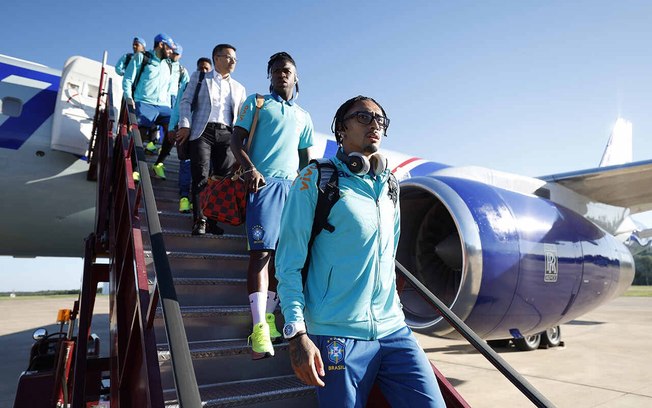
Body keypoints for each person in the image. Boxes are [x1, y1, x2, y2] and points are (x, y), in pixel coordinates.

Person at [275, 96, 446, 407]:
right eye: (364, 117)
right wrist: (297, 334)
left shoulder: (390, 186)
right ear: (342, 128)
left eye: (380, 120)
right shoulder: (315, 179)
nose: (375, 125)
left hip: (394, 329)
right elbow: (288, 263)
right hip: (336, 332)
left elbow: (389, 256)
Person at [230, 52, 314, 360]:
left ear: (295, 77)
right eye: (276, 70)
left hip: (292, 191)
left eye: (287, 70)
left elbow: (306, 162)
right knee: (261, 255)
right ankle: (258, 329)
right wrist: (251, 168)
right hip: (264, 186)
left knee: (283, 260)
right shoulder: (257, 103)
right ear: (271, 76)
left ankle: (269, 320)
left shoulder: (304, 116)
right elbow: (235, 142)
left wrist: (305, 190)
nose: (281, 74)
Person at [177, 44, 246, 235]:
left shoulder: (239, 88)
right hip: (202, 132)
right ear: (217, 58)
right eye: (229, 57)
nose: (233, 61)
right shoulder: (199, 78)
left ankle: (213, 221)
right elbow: (185, 102)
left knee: (222, 180)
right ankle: (200, 220)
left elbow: (241, 117)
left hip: (227, 135)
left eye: (235, 59)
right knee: (201, 176)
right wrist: (184, 124)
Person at [168, 57, 212, 213]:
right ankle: (184, 198)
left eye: (207, 68)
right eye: (201, 68)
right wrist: (172, 127)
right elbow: (178, 107)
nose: (203, 71)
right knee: (185, 165)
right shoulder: (188, 85)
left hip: (204, 135)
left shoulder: (213, 87)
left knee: (202, 170)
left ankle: (197, 201)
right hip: (186, 131)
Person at [122, 33, 176, 156]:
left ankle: (159, 163)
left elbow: (170, 89)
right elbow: (128, 79)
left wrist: (172, 106)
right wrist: (129, 98)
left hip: (163, 105)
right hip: (144, 102)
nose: (170, 52)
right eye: (168, 48)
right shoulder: (141, 58)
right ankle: (135, 167)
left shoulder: (168, 64)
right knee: (140, 133)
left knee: (173, 131)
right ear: (161, 45)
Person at [152, 43, 190, 180]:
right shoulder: (160, 63)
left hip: (173, 100)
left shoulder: (181, 70)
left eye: (177, 54)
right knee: (147, 124)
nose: (174, 56)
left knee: (170, 131)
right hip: (156, 100)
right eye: (173, 53)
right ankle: (151, 143)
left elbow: (187, 89)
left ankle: (159, 162)